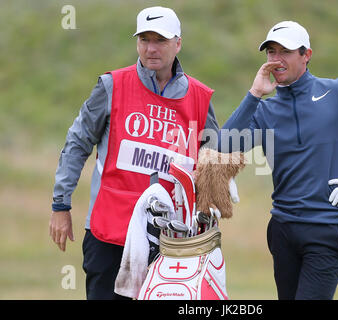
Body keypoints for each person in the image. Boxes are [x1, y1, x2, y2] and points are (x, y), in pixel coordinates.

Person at [219, 21, 338, 299]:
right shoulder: (266, 110)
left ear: (306, 55)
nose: (276, 59)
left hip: (329, 229)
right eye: (271, 52)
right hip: (282, 229)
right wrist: (254, 94)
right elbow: (223, 145)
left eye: (285, 51)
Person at [49, 6, 218, 300]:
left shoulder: (200, 97)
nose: (151, 49)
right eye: (144, 40)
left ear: (178, 43)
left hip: (170, 237)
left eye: (160, 40)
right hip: (109, 231)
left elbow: (212, 160)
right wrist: (60, 205)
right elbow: (77, 143)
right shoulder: (112, 85)